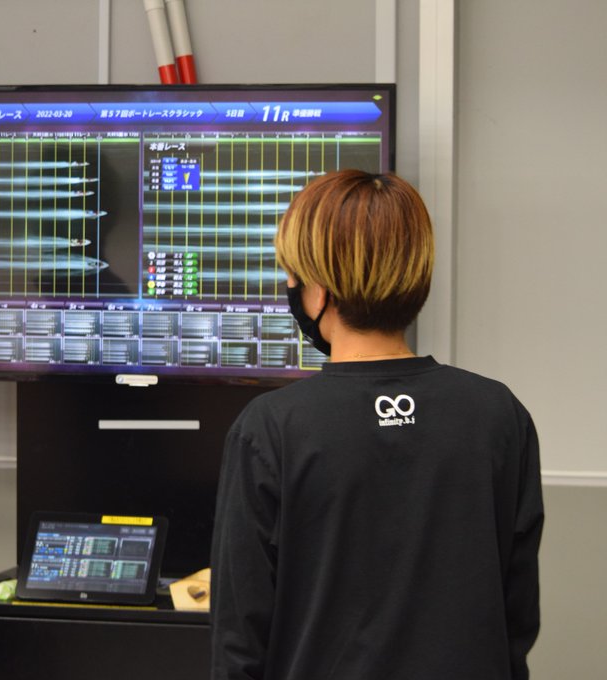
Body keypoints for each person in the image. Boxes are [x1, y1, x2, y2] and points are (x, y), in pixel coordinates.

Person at [210, 169, 543, 680]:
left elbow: (239, 640)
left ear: (319, 289)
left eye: (293, 274)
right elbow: (516, 619)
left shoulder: (271, 428)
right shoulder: (498, 415)